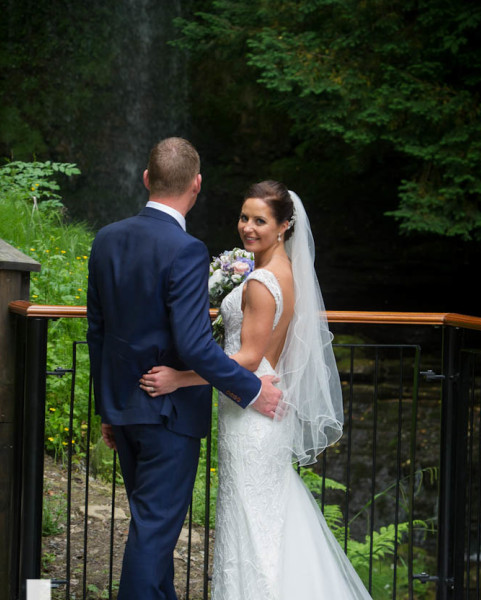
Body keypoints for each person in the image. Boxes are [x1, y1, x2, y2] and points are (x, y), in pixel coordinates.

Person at [140, 180, 373, 599]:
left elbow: (247, 359)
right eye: (245, 217)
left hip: (250, 413)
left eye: (260, 220)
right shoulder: (284, 272)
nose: (248, 227)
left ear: (284, 226)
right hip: (259, 404)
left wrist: (178, 377)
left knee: (252, 526)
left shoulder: (263, 282)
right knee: (263, 521)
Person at [86, 139, 282, 600]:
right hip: (167, 416)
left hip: (125, 411)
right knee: (153, 536)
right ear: (196, 184)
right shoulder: (186, 249)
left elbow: (98, 331)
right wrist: (250, 389)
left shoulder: (107, 237)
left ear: (146, 179)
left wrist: (108, 408)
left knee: (150, 532)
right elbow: (194, 345)